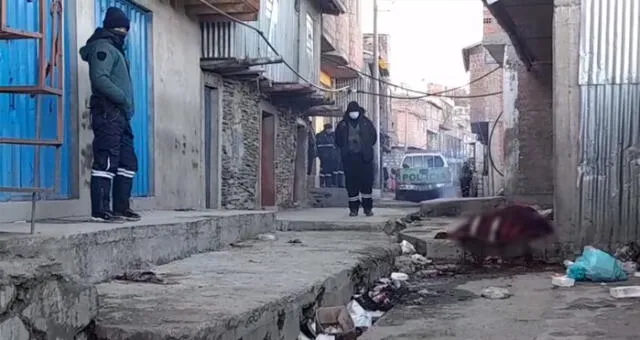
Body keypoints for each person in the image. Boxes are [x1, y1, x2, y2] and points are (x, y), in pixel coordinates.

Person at [79, 7, 140, 222]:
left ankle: (121, 208)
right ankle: (101, 211)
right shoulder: (103, 48)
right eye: (124, 28)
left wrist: (126, 107)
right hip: (108, 112)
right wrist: (123, 98)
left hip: (120, 115)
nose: (126, 32)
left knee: (128, 162)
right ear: (119, 28)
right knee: (106, 160)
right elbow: (100, 79)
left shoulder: (115, 48)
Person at [335, 101, 378, 217]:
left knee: (366, 186)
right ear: (348, 112)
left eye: (355, 111)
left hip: (365, 160)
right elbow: (338, 141)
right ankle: (353, 209)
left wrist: (366, 148)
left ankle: (367, 209)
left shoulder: (366, 123)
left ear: (359, 111)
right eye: (351, 111)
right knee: (351, 186)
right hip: (349, 160)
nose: (353, 114)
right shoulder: (342, 125)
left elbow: (373, 138)